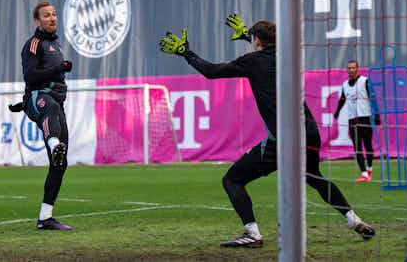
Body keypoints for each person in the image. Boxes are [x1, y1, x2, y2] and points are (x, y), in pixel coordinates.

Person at [158, 15, 375, 248]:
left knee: (232, 180)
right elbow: (269, 56)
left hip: (283, 138)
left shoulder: (252, 60)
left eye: (253, 38)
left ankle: (252, 234)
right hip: (310, 130)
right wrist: (248, 36)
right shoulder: (289, 56)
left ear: (258, 41)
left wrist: (186, 53)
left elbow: (212, 71)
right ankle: (355, 221)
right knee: (314, 176)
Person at [14, 1, 73, 230]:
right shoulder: (34, 43)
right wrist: (59, 69)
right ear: (37, 21)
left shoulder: (56, 46)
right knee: (51, 108)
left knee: (60, 164)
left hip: (54, 103)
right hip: (40, 98)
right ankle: (54, 142)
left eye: (54, 14)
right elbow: (30, 77)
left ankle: (45, 218)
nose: (53, 18)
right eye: (47, 15)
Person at [333, 60, 380, 183]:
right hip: (352, 120)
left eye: (353, 68)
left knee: (368, 146)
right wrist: (337, 112)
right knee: (357, 147)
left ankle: (369, 169)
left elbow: (373, 97)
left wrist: (377, 115)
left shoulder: (365, 81)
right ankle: (363, 173)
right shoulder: (344, 85)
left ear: (357, 69)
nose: (351, 70)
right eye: (349, 68)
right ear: (347, 70)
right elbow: (342, 99)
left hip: (365, 117)